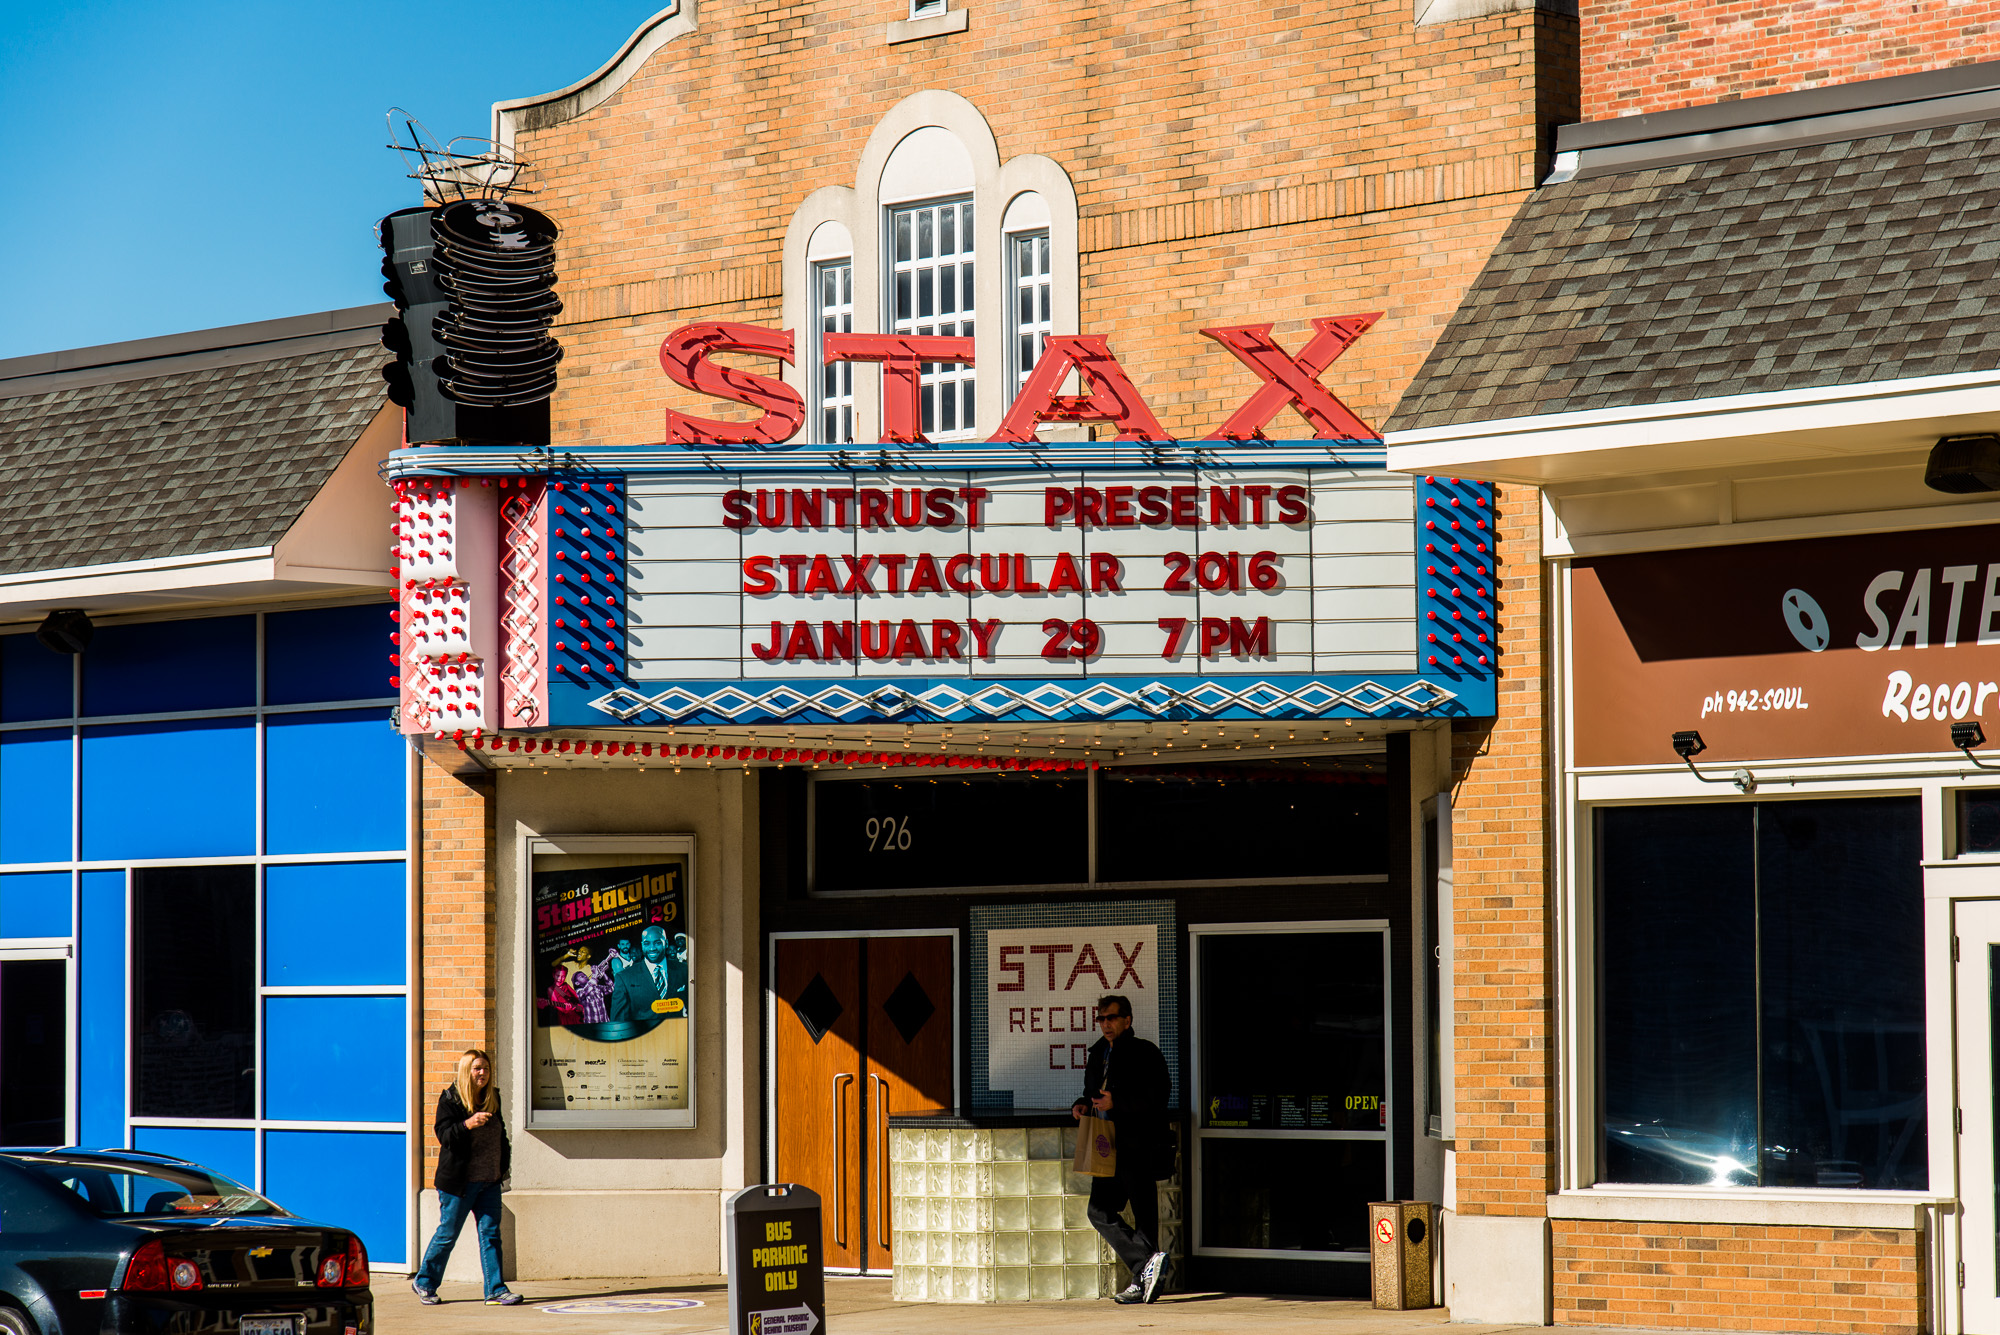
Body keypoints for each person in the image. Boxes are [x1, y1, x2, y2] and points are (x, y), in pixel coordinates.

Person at [1071, 995, 1171, 1305]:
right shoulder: (1099, 1052)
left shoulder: (1144, 1052)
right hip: (1106, 1144)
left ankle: (1143, 1280)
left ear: (1127, 1020)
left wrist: (1119, 1104)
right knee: (1099, 1211)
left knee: (1143, 1215)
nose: (1105, 1024)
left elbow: (1158, 1098)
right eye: (1101, 1019)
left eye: (1111, 1018)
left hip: (1138, 1144)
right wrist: (1084, 1105)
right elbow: (1093, 1092)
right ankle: (1146, 1264)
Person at [412, 1049, 522, 1306]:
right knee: (448, 1234)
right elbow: (445, 1135)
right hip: (459, 1185)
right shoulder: (451, 1099)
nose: (482, 1073)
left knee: (491, 1234)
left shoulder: (493, 1097)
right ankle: (425, 1281)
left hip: (489, 1182)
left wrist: (503, 1163)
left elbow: (501, 1132)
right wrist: (467, 1124)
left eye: (485, 1068)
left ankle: (495, 1289)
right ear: (466, 1071)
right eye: (477, 1068)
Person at [607, 923, 686, 1022]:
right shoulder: (624, 977)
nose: (652, 948)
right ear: (642, 945)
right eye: (647, 943)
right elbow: (618, 1024)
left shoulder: (684, 969)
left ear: (666, 943)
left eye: (657, 942)